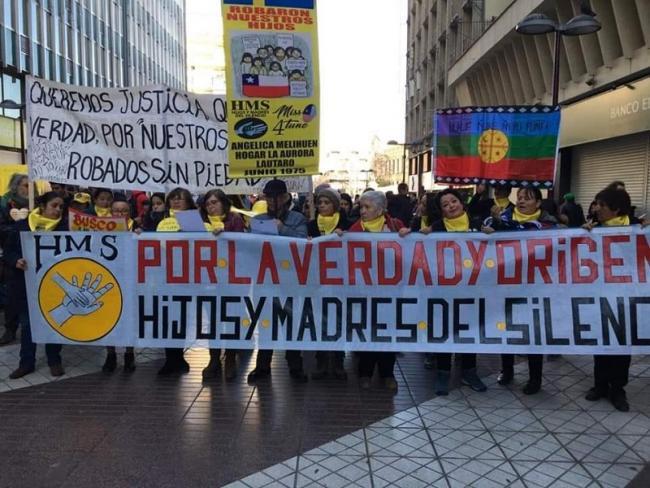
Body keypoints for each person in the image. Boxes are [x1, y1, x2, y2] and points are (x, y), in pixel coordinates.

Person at [400, 189, 488, 395]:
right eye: (445, 205)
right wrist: (408, 234)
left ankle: (469, 372)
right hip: (442, 291)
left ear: (462, 202)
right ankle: (443, 373)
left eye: (454, 201)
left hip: (470, 290)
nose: (451, 206)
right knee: (444, 332)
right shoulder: (436, 228)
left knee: (469, 331)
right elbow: (417, 243)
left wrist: (493, 233)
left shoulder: (477, 225)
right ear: (441, 211)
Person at [483, 187, 560, 394]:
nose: (522, 201)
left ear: (538, 203)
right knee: (506, 328)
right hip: (506, 285)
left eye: (528, 198)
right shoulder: (500, 219)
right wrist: (492, 227)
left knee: (534, 332)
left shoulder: (549, 225)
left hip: (535, 287)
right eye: (520, 197)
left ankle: (535, 378)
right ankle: (507, 371)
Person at [247, 179, 309, 383]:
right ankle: (262, 367)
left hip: (289, 281)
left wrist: (282, 228)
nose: (271, 202)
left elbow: (301, 244)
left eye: (274, 198)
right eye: (267, 198)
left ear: (284, 198)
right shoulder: (259, 220)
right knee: (265, 325)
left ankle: (295, 366)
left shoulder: (297, 218)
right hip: (265, 281)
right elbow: (251, 247)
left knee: (291, 324)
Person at [5, 192, 67, 379]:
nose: (58, 210)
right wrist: (16, 260)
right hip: (27, 285)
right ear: (42, 206)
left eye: (61, 207)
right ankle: (26, 363)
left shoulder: (65, 228)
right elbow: (8, 252)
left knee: (54, 324)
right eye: (54, 205)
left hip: (55, 286)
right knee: (28, 324)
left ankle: (54, 360)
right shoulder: (22, 227)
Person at [348, 191, 406, 391]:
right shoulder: (353, 230)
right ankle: (365, 373)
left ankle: (387, 374)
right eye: (361, 207)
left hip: (390, 291)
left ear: (381, 209)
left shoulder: (396, 227)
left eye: (367, 207)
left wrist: (410, 235)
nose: (362, 211)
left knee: (388, 333)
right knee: (367, 332)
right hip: (364, 291)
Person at [583, 188, 634, 412]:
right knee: (602, 341)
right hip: (601, 294)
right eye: (596, 204)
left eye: (602, 205)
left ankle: (618, 389)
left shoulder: (635, 228)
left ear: (617, 209)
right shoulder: (593, 229)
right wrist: (583, 234)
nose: (596, 209)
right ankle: (600, 385)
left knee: (622, 343)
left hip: (626, 296)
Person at [199, 189, 246, 381]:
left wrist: (225, 234)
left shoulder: (234, 220)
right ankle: (214, 359)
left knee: (232, 318)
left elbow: (242, 244)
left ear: (224, 203)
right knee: (214, 320)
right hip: (209, 279)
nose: (211, 206)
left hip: (232, 279)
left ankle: (231, 359)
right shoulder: (200, 223)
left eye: (214, 202)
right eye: (208, 203)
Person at [307, 187, 350, 381]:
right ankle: (322, 360)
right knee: (320, 320)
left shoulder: (346, 224)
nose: (323, 206)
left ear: (335, 204)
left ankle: (339, 360)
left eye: (327, 202)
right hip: (318, 280)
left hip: (341, 280)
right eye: (320, 203)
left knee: (339, 319)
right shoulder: (311, 226)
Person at [156, 188, 197, 374]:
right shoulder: (158, 219)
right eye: (173, 198)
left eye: (180, 199)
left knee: (181, 319)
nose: (176, 201)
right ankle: (169, 358)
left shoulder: (195, 221)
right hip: (163, 277)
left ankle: (178, 356)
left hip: (185, 278)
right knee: (165, 319)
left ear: (189, 202)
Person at [102, 194, 139, 373]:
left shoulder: (137, 228)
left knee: (129, 319)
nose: (120, 213)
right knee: (107, 318)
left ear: (129, 213)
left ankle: (129, 354)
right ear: (111, 211)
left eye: (124, 211)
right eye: (117, 210)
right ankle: (110, 355)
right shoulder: (100, 227)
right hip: (107, 279)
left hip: (130, 279)